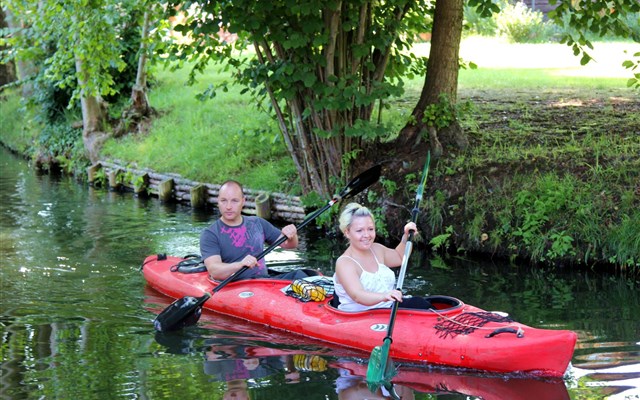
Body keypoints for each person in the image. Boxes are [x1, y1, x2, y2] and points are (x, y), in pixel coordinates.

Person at [333, 203, 432, 311]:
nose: (366, 235)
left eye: (370, 229)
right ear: (347, 232)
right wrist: (384, 296)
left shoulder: (376, 249)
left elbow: (399, 257)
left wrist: (406, 237)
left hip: (387, 309)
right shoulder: (344, 263)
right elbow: (357, 295)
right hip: (359, 317)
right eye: (359, 230)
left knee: (420, 303)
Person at [200, 180, 299, 281]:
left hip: (264, 283)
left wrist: (291, 234)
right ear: (218, 202)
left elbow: (290, 245)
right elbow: (215, 271)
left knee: (301, 275)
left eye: (234, 201)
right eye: (224, 200)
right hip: (235, 288)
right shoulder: (210, 234)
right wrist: (240, 264)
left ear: (243, 201)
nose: (228, 206)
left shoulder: (257, 223)